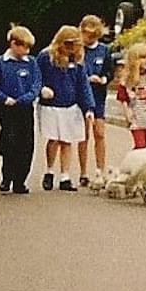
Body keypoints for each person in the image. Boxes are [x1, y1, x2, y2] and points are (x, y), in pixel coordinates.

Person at [37, 24, 95, 191]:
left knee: (67, 140)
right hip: (51, 106)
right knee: (53, 139)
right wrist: (41, 89)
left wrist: (89, 108)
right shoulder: (45, 57)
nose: (71, 48)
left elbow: (83, 86)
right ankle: (49, 171)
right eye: (68, 44)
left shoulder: (77, 62)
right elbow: (37, 76)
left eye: (74, 44)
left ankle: (65, 176)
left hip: (70, 106)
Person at [0, 25, 41, 194]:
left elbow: (36, 84)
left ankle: (20, 180)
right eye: (23, 47)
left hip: (25, 108)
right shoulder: (0, 63)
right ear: (13, 44)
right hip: (7, 109)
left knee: (26, 144)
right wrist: (4, 99)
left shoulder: (32, 63)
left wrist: (26, 98)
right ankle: (7, 177)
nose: (26, 51)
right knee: (9, 143)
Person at [77, 15, 115, 189]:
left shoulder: (104, 50)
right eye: (87, 35)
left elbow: (110, 71)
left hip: (98, 95)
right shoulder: (78, 49)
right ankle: (83, 172)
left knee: (99, 133)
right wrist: (86, 78)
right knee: (83, 134)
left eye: (93, 35)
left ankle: (100, 170)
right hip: (82, 96)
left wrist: (104, 79)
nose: (89, 39)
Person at [117, 42, 146, 149]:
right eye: (142, 57)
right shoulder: (127, 79)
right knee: (141, 145)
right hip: (136, 117)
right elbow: (123, 97)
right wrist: (127, 112)